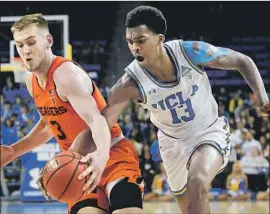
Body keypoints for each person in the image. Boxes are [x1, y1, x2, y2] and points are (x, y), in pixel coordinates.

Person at [81, 6, 270, 214]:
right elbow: (101, 125)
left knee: (197, 182)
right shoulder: (129, 84)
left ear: (160, 39)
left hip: (207, 130)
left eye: (141, 40)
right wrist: (72, 156)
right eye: (130, 42)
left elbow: (243, 61)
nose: (134, 47)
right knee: (188, 207)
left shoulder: (191, 53)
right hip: (171, 143)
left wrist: (263, 99)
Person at [0, 14, 143, 214]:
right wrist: (13, 151)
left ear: (48, 41)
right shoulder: (30, 80)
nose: (26, 51)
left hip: (112, 153)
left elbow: (96, 119)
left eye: (31, 43)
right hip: (76, 166)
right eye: (20, 45)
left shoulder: (65, 74)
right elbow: (48, 125)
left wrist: (101, 155)